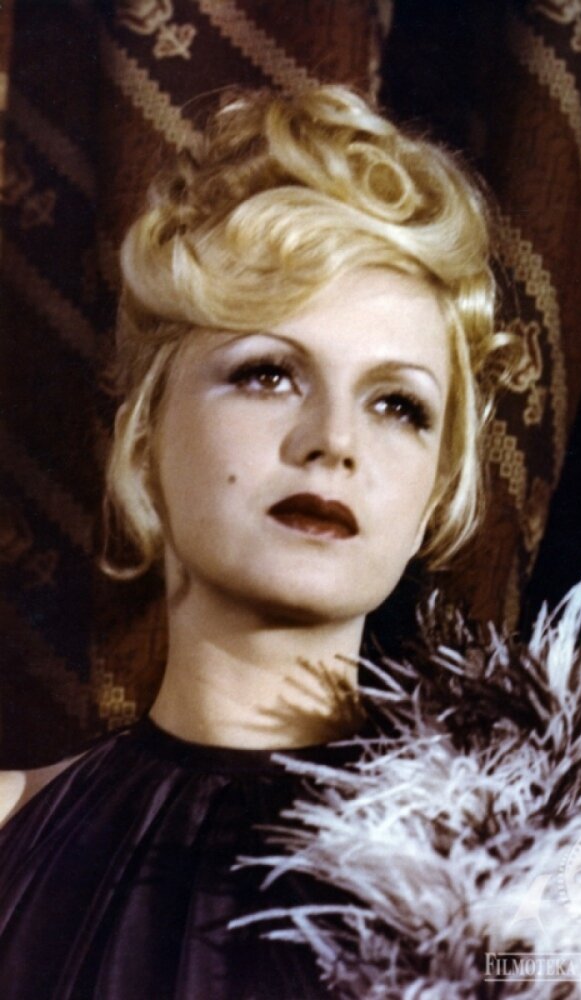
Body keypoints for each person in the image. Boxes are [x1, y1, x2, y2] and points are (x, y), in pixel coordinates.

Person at [0, 85, 505, 998]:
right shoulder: (8, 830)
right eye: (268, 374)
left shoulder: (545, 876)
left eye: (398, 405)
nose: (333, 441)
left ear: (437, 492)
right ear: (144, 438)